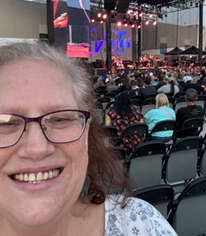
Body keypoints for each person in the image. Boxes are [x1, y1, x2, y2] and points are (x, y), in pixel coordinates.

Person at [0, 41, 177, 236]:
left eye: (60, 119)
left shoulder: (141, 223)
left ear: (86, 136)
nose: (37, 148)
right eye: (5, 123)